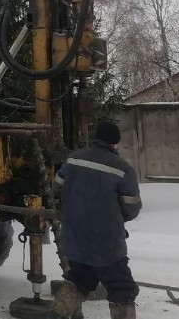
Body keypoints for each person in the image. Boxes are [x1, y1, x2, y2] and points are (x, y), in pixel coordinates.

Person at [53, 121, 142, 319]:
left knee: (78, 281)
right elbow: (132, 207)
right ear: (115, 142)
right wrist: (114, 218)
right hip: (106, 242)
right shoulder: (122, 168)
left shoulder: (74, 159)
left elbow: (57, 188)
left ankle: (58, 313)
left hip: (74, 236)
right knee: (122, 288)